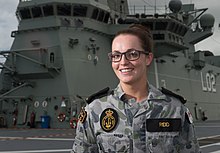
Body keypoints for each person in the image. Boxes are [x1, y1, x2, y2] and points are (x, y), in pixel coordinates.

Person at [71, 24, 200, 153]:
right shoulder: (95, 110)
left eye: (132, 54)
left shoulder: (175, 109)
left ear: (148, 58)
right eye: (116, 56)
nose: (123, 62)